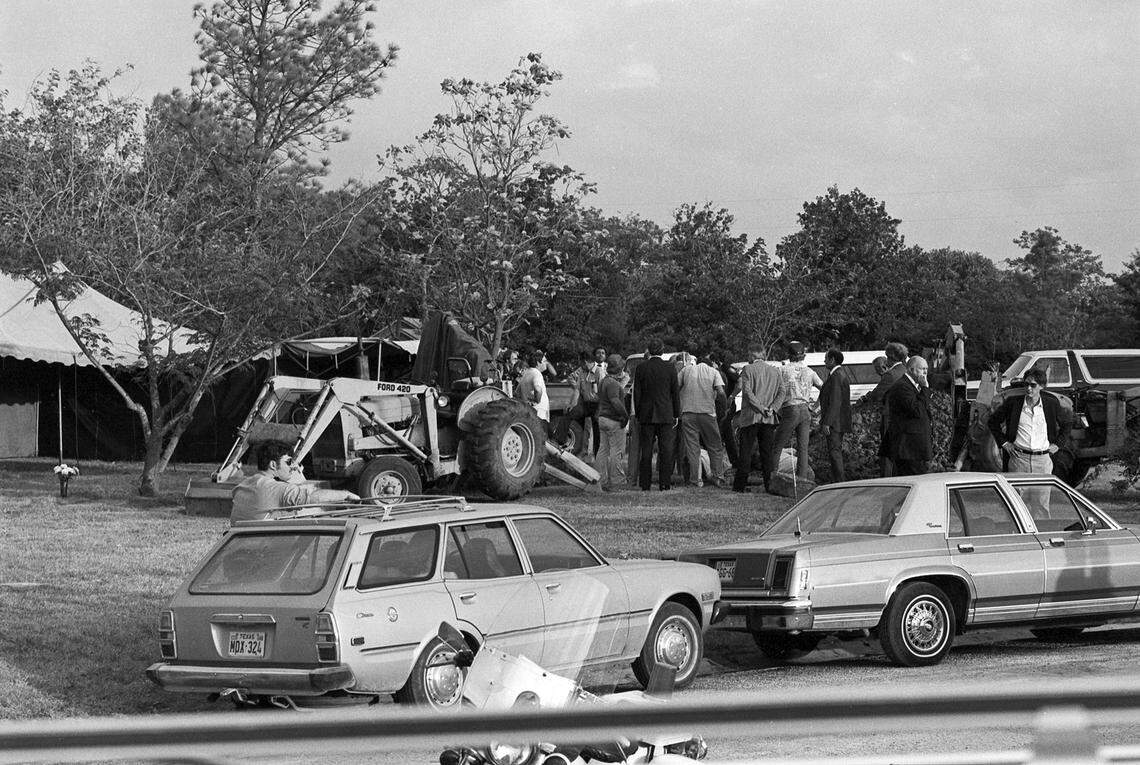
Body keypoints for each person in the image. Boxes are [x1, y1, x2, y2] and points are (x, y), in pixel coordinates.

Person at [231, 441, 358, 524]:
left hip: (239, 544)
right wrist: (345, 495)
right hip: (263, 551)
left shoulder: (242, 486)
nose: (292, 466)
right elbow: (311, 497)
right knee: (317, 509)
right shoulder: (275, 489)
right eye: (288, 462)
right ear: (273, 465)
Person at [987, 368, 1072, 474]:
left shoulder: (1051, 404)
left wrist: (1058, 444)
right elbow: (992, 422)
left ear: (1042, 386)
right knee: (1015, 491)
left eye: (1033, 385)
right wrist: (1004, 443)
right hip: (1018, 459)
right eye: (1026, 384)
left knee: (1042, 491)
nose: (1028, 388)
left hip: (1043, 461)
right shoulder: (1013, 403)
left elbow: (1067, 424)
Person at [732, 343, 785, 493]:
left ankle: (739, 485)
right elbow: (782, 391)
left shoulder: (748, 369)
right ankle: (769, 484)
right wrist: (772, 408)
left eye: (749, 355)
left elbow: (748, 393)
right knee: (766, 453)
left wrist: (760, 408)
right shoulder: (775, 371)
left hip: (751, 416)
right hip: (768, 418)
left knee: (746, 452)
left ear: (753, 355)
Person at [633, 337, 680, 491]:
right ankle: (664, 483)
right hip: (666, 413)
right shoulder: (670, 368)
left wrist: (639, 413)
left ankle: (645, 484)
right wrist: (677, 413)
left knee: (646, 450)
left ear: (649, 350)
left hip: (646, 414)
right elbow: (675, 393)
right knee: (666, 450)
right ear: (662, 350)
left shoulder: (641, 368)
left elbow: (637, 394)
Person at [770, 341, 822, 480]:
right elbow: (824, 389)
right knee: (803, 449)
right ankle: (802, 479)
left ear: (789, 355)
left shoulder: (782, 370)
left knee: (777, 445)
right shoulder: (810, 372)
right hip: (805, 410)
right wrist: (816, 407)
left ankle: (772, 476)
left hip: (790, 409)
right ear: (803, 356)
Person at [677, 350, 729, 487]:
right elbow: (721, 393)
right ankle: (718, 477)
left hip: (688, 413)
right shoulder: (713, 372)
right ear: (710, 364)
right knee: (715, 446)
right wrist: (723, 409)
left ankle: (696, 480)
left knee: (693, 448)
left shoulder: (686, 370)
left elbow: (676, 387)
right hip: (707, 413)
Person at [863, 342, 909, 477]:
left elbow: (878, 394)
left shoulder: (891, 374)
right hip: (902, 416)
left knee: (887, 449)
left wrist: (866, 399)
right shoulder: (906, 370)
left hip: (890, 415)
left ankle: (887, 477)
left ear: (891, 357)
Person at [884, 356, 932, 476]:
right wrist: (925, 389)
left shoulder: (911, 385)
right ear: (911, 369)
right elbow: (917, 411)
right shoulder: (902, 387)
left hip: (911, 448)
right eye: (922, 369)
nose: (925, 372)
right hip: (908, 448)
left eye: (926, 368)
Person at [595, 353, 629, 490]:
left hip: (602, 418)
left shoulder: (604, 381)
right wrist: (625, 416)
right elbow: (615, 401)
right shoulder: (613, 383)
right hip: (613, 420)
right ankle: (617, 480)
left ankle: (599, 478)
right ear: (619, 367)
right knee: (616, 450)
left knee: (602, 450)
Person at [819, 349, 853, 482]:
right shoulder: (837, 374)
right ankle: (837, 480)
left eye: (826, 358)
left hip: (835, 422)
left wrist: (827, 422)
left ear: (832, 360)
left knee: (834, 452)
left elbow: (835, 401)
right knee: (834, 451)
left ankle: (839, 481)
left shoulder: (836, 376)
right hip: (837, 421)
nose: (824, 361)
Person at [567, 350, 603, 457]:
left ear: (586, 361)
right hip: (586, 403)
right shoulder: (582, 372)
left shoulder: (599, 372)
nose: (580, 365)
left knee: (597, 431)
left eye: (581, 363)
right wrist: (572, 405)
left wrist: (600, 409)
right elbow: (577, 390)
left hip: (597, 404)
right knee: (575, 419)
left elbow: (602, 392)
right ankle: (578, 451)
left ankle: (597, 456)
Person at [516, 349, 550, 424]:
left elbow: (517, 393)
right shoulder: (537, 373)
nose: (545, 365)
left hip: (529, 409)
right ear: (538, 363)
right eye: (544, 362)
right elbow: (538, 389)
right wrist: (536, 401)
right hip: (539, 410)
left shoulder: (526, 373)